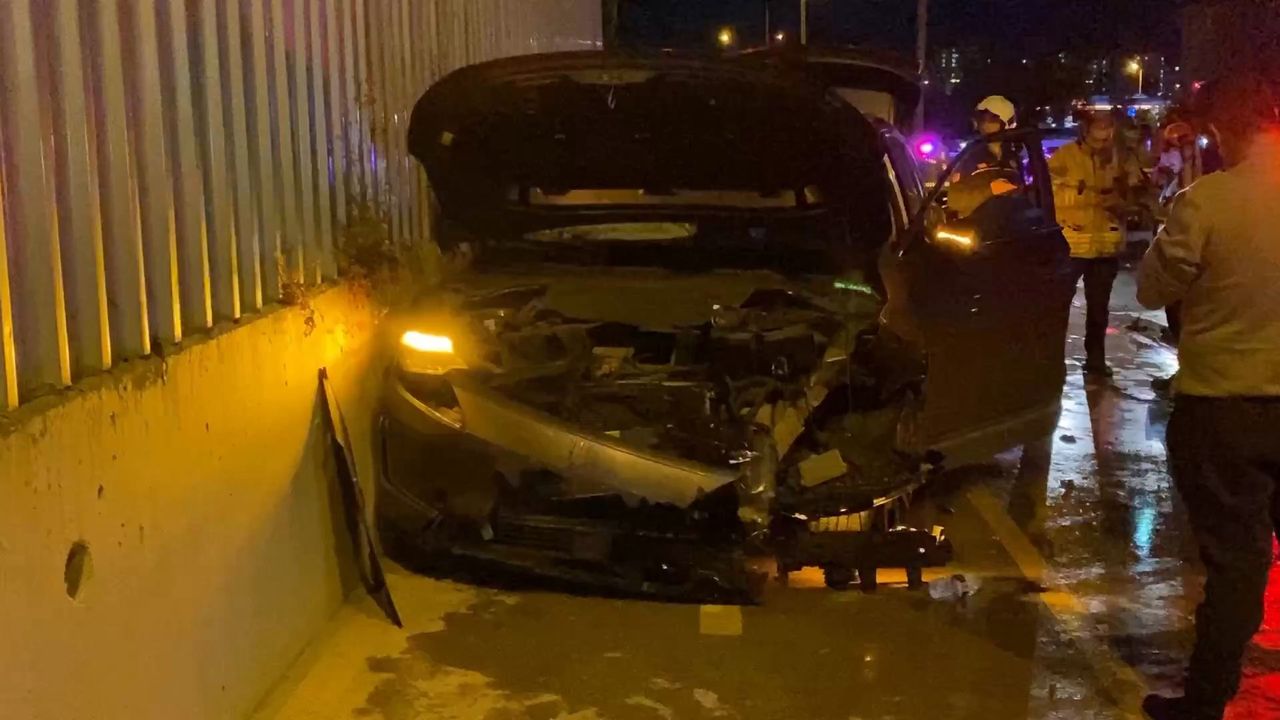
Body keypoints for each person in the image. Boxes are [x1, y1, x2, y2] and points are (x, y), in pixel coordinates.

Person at [1137, 73, 1280, 720]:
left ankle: (1205, 702)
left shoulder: (1208, 202)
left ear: (1222, 131)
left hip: (1223, 410)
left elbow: (1151, 289)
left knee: (1236, 566)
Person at [1049, 110, 1141, 377]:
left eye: (1107, 131)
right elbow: (1050, 194)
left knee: (1099, 309)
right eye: (1098, 131)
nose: (1102, 138)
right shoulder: (1065, 157)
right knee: (1059, 307)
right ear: (1085, 130)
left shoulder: (1119, 158)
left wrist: (1122, 202)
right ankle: (1053, 360)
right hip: (1074, 244)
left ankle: (1096, 359)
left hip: (1105, 245)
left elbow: (1136, 194)